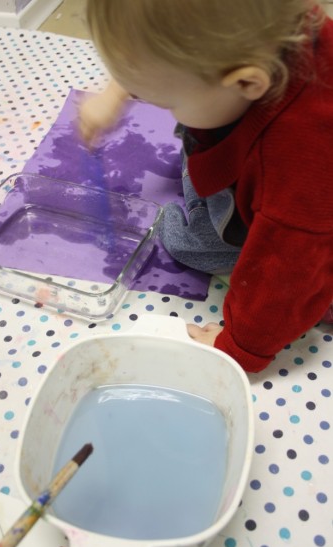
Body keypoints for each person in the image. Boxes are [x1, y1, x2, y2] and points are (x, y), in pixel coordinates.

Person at [79, 0, 333, 373]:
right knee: (200, 134)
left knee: (187, 243)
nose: (161, 109)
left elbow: (285, 276)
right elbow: (166, 38)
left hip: (310, 249)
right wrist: (116, 91)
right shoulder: (282, 21)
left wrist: (236, 347)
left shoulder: (298, 177)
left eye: (165, 102)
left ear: (247, 82)